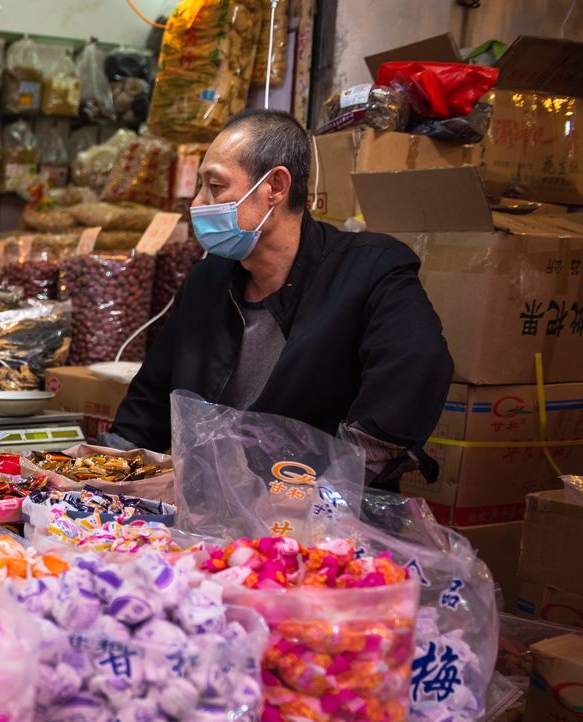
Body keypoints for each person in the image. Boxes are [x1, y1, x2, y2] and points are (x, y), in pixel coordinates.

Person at [109, 110, 454, 488]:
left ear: (275, 185)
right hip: (206, 513)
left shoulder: (370, 269)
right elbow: (150, 401)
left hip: (321, 525)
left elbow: (417, 367)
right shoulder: (207, 280)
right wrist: (104, 478)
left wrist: (330, 484)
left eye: (215, 186)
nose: (198, 203)